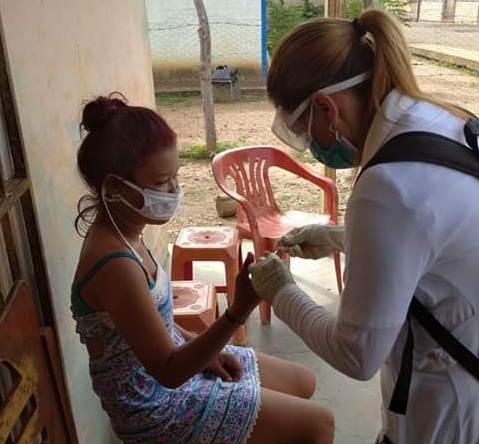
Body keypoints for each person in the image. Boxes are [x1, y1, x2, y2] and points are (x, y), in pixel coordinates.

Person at [248, 8, 479, 444]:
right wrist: (342, 239)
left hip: (452, 418)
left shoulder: (387, 187)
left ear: (325, 107)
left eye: (303, 131)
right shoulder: (438, 119)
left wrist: (280, 290)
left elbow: (356, 354)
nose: (311, 146)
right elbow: (441, 242)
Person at [70, 93, 334, 444]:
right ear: (116, 188)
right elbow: (169, 371)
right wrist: (237, 312)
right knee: (317, 424)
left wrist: (204, 349)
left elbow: (154, 323)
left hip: (172, 368)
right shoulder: (115, 264)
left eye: (175, 176)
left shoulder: (124, 231)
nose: (175, 190)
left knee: (304, 382)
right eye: (162, 182)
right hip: (154, 406)